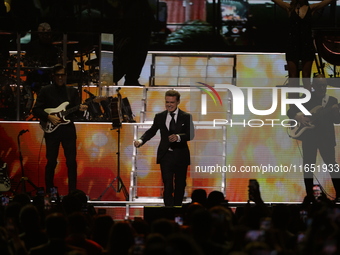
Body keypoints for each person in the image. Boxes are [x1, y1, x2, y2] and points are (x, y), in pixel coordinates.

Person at [32, 64, 88, 194]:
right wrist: (49, 117)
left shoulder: (72, 92)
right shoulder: (46, 90)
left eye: (63, 75)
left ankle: (72, 192)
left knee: (71, 162)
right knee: (51, 161)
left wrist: (82, 110)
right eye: (58, 75)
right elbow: (36, 110)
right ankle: (49, 191)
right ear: (53, 76)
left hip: (68, 130)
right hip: (52, 132)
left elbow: (76, 114)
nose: (61, 77)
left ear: (66, 76)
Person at [134, 90, 194, 206]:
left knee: (180, 184)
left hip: (181, 155)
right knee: (167, 184)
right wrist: (141, 140)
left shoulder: (186, 117)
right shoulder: (160, 117)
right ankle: (168, 209)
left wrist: (178, 137)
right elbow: (152, 131)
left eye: (172, 102)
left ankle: (177, 208)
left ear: (178, 102)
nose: (169, 105)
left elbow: (190, 134)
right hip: (166, 155)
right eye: (167, 102)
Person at [287, 74, 340, 200]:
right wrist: (298, 117)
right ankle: (309, 196)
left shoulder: (332, 101)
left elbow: (337, 120)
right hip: (310, 138)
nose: (322, 88)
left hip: (326, 139)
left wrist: (335, 112)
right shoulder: (306, 99)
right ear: (313, 86)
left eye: (324, 86)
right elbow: (290, 111)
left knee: (332, 165)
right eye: (319, 85)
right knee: (308, 167)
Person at [271, 0, 336, 93]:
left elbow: (324, 2)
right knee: (293, 77)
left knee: (306, 77)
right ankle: (293, 104)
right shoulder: (289, 8)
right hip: (293, 44)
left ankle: (307, 103)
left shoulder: (311, 8)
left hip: (306, 44)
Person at [112, 0, 155, 86]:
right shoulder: (136, 7)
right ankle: (131, 78)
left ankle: (131, 78)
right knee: (134, 54)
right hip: (134, 31)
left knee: (137, 55)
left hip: (137, 30)